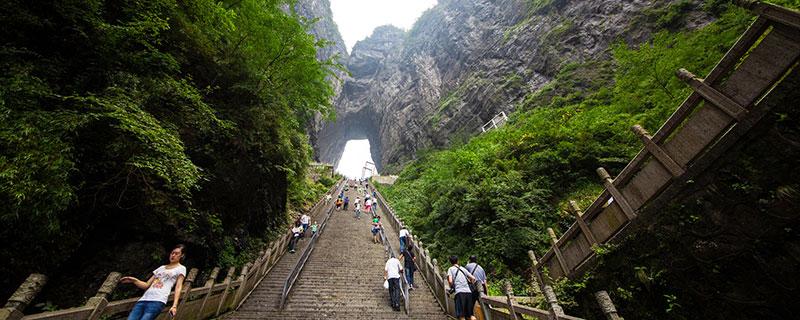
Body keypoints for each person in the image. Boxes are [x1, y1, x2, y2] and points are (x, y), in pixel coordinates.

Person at [121, 244, 187, 320]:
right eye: (172, 253)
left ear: (182, 255)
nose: (173, 255)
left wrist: (174, 306)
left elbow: (178, 287)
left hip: (158, 301)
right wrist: (134, 280)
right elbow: (146, 285)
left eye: (176, 253)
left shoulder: (181, 268)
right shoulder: (161, 268)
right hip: (143, 300)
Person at [448, 255, 477, 320]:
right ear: (458, 261)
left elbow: (450, 281)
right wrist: (471, 283)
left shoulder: (450, 269)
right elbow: (473, 278)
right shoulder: (463, 269)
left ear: (450, 262)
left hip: (460, 293)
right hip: (468, 293)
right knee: (471, 315)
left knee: (462, 316)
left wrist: (452, 286)